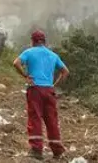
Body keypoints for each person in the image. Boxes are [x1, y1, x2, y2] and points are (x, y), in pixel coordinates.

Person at [13, 30, 70, 160]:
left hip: (35, 89)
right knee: (52, 120)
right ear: (44, 41)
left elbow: (16, 63)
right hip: (49, 90)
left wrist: (25, 76)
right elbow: (66, 71)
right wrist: (54, 85)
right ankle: (57, 151)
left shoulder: (29, 52)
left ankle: (36, 150)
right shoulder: (53, 55)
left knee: (35, 118)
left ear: (33, 41)